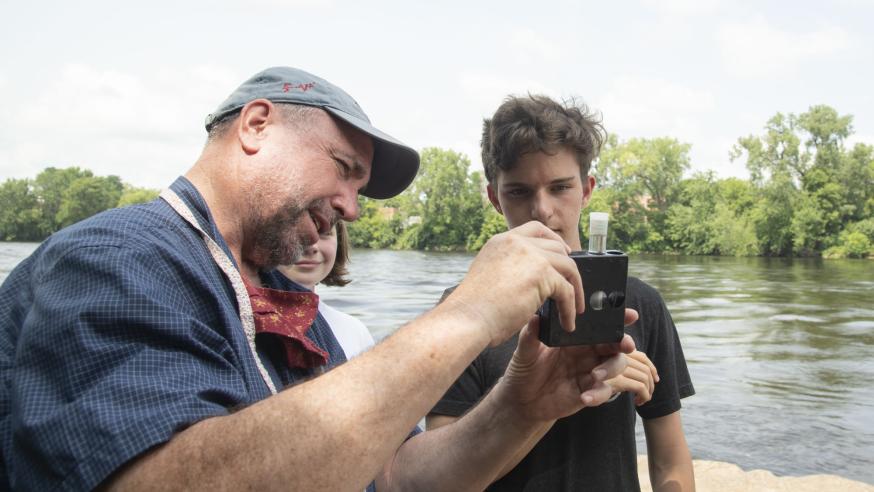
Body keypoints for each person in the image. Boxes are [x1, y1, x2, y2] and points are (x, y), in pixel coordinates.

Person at [0, 67, 637, 491]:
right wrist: (466, 314)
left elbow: (390, 477)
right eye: (342, 168)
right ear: (256, 126)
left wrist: (520, 410)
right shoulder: (120, 257)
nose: (352, 208)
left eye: (360, 187)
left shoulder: (279, 299)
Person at [428, 95, 696, 491]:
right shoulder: (463, 311)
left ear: (587, 190)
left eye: (560, 188)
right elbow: (437, 477)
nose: (543, 210)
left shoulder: (638, 304)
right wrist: (544, 403)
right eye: (519, 192)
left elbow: (670, 460)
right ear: (493, 197)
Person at [277, 221, 374, 359]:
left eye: (324, 232)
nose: (311, 246)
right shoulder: (241, 326)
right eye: (293, 232)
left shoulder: (354, 331)